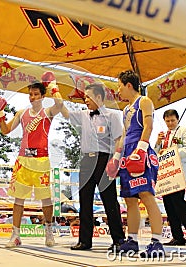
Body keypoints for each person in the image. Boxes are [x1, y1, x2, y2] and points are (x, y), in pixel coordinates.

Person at [0, 73, 63, 248]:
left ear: (43, 96)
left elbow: (60, 104)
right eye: (31, 94)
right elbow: (6, 130)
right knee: (18, 199)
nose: (33, 97)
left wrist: (53, 85)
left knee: (46, 199)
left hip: (41, 160)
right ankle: (15, 235)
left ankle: (49, 231)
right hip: (23, 160)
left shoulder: (48, 112)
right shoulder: (22, 113)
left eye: (36, 94)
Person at [60, 83, 125, 252]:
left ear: (98, 97)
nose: (85, 100)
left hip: (105, 159)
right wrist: (56, 95)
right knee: (85, 200)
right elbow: (65, 113)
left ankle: (118, 239)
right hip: (87, 161)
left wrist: (115, 159)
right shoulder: (83, 114)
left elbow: (119, 138)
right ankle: (84, 240)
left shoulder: (112, 115)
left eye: (88, 97)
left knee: (109, 200)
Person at [113, 70, 164, 257]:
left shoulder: (145, 101)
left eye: (119, 86)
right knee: (129, 199)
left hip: (140, 152)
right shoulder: (125, 110)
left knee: (146, 195)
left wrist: (141, 149)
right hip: (127, 154)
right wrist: (116, 157)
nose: (118, 90)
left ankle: (157, 242)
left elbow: (149, 126)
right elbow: (125, 135)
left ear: (128, 85)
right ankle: (132, 240)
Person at [154, 109, 186, 247]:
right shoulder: (164, 135)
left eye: (172, 120)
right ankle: (177, 237)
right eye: (167, 121)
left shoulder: (183, 130)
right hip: (165, 176)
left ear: (177, 119)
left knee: (179, 205)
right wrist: (158, 143)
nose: (170, 123)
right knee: (169, 206)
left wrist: (171, 152)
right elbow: (155, 153)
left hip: (178, 173)